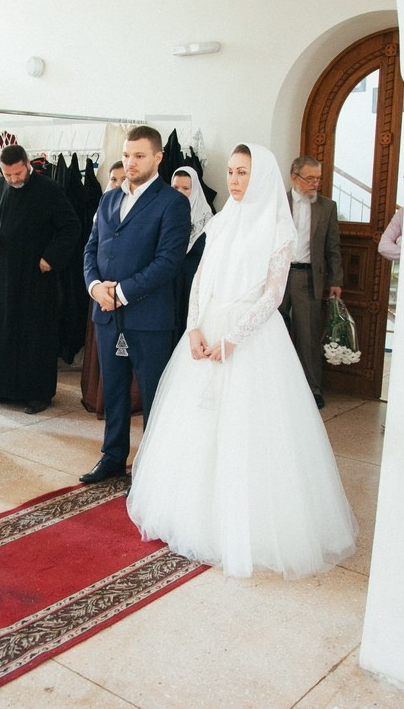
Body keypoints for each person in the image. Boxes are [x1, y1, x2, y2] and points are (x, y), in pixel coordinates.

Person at [127, 143, 357, 579]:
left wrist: (233, 338)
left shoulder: (279, 229)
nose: (234, 180)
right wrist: (194, 328)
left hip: (252, 337)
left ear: (262, 177)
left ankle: (245, 525)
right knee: (198, 424)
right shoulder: (221, 220)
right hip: (208, 327)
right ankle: (192, 513)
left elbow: (273, 295)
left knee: (249, 429)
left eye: (243, 172)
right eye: (231, 172)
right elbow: (201, 280)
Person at [80, 125, 190, 483]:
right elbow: (91, 248)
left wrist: (121, 293)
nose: (130, 162)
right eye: (127, 155)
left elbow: (168, 262)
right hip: (106, 315)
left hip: (149, 318)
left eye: (139, 156)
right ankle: (113, 457)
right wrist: (95, 287)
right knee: (113, 390)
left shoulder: (172, 202)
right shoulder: (108, 199)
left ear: (158, 157)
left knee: (154, 394)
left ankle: (153, 467)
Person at [0, 144, 81, 414]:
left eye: (18, 173)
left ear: (27, 164)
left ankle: (37, 393)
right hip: (2, 273)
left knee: (34, 333)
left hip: (35, 275)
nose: (13, 179)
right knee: (1, 329)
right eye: (8, 174)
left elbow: (71, 227)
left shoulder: (49, 190)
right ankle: (0, 387)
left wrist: (51, 257)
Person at [279, 155, 343, 409]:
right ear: (294, 178)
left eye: (318, 179)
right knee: (275, 333)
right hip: (278, 277)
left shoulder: (327, 207)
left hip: (308, 278)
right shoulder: (278, 203)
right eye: (310, 178)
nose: (315, 183)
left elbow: (333, 247)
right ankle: (278, 387)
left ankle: (313, 390)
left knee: (308, 336)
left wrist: (336, 280)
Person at [169, 166, 212, 344]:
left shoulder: (207, 220)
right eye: (175, 188)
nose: (180, 193)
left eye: (186, 188)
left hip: (193, 284)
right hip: (168, 282)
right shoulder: (165, 215)